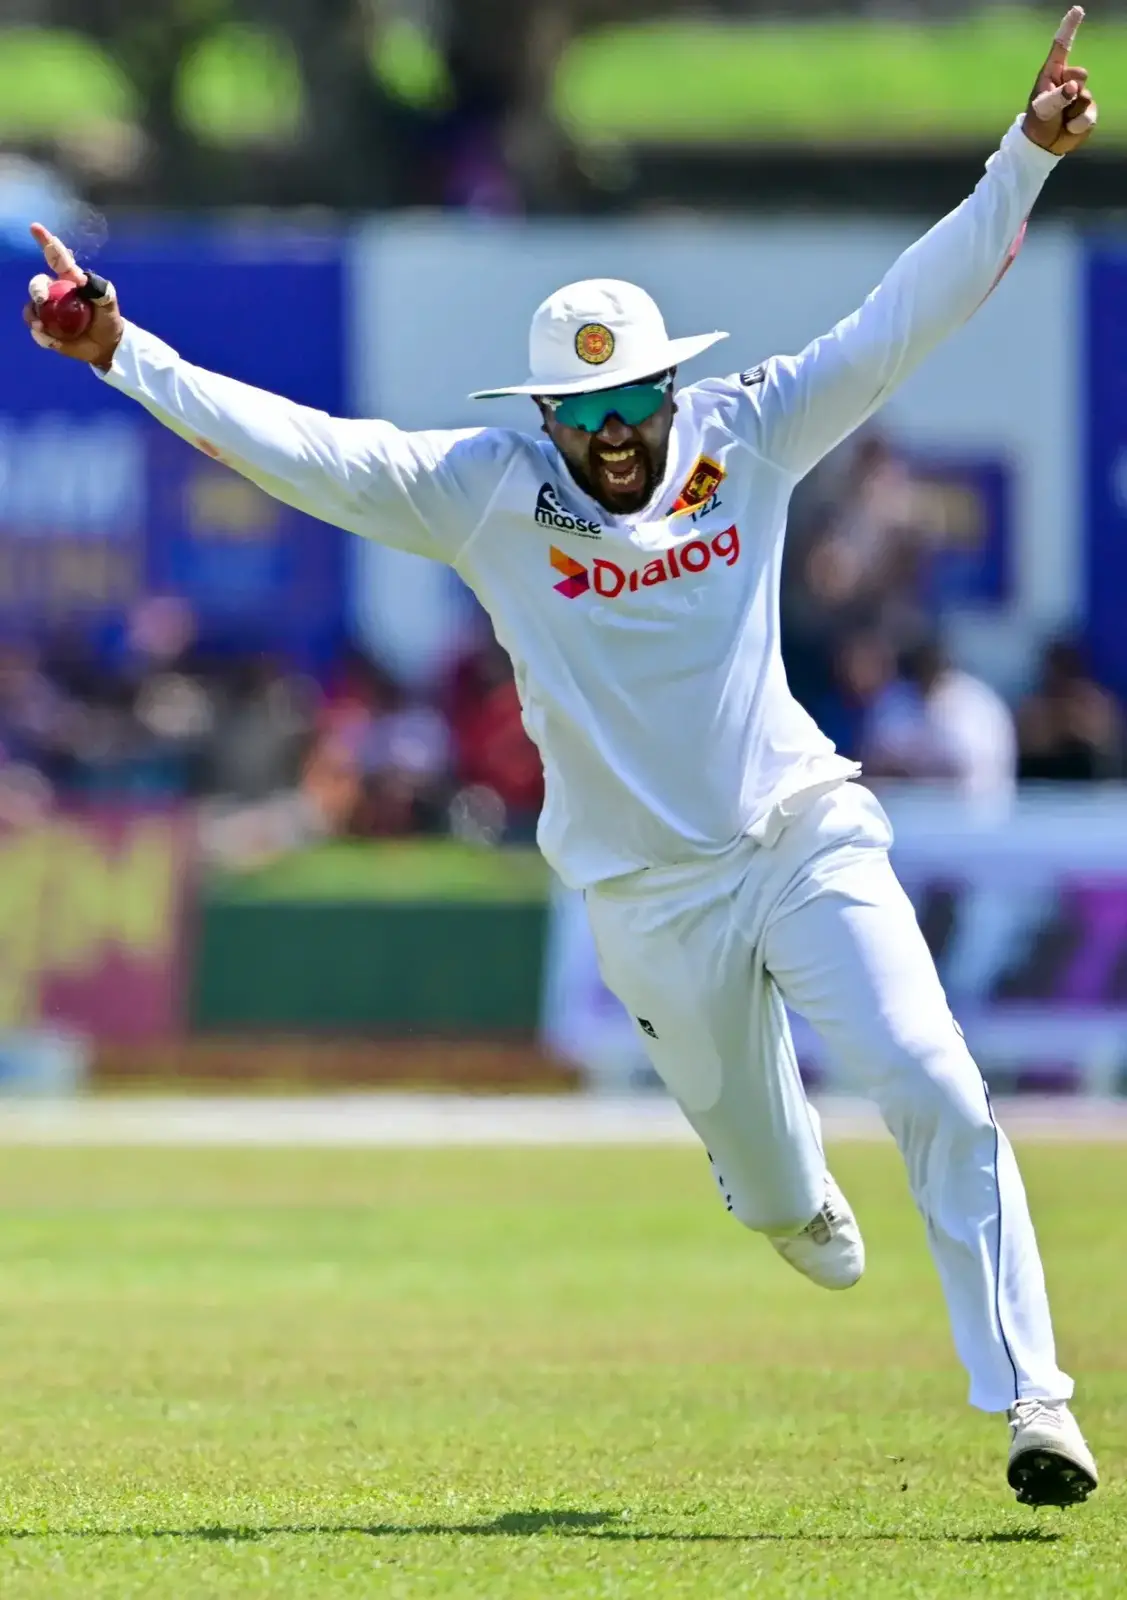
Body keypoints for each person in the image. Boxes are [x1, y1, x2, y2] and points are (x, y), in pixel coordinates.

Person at [23, 10, 1099, 1508]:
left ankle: (1034, 1407)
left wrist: (1022, 158)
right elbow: (299, 448)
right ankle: (767, 1179)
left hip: (796, 829)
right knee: (786, 1203)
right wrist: (124, 352)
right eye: (578, 413)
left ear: (667, 387)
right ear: (548, 415)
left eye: (625, 404)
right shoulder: (485, 492)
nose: (607, 435)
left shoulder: (752, 431)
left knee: (936, 1083)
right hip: (640, 894)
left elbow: (902, 315)